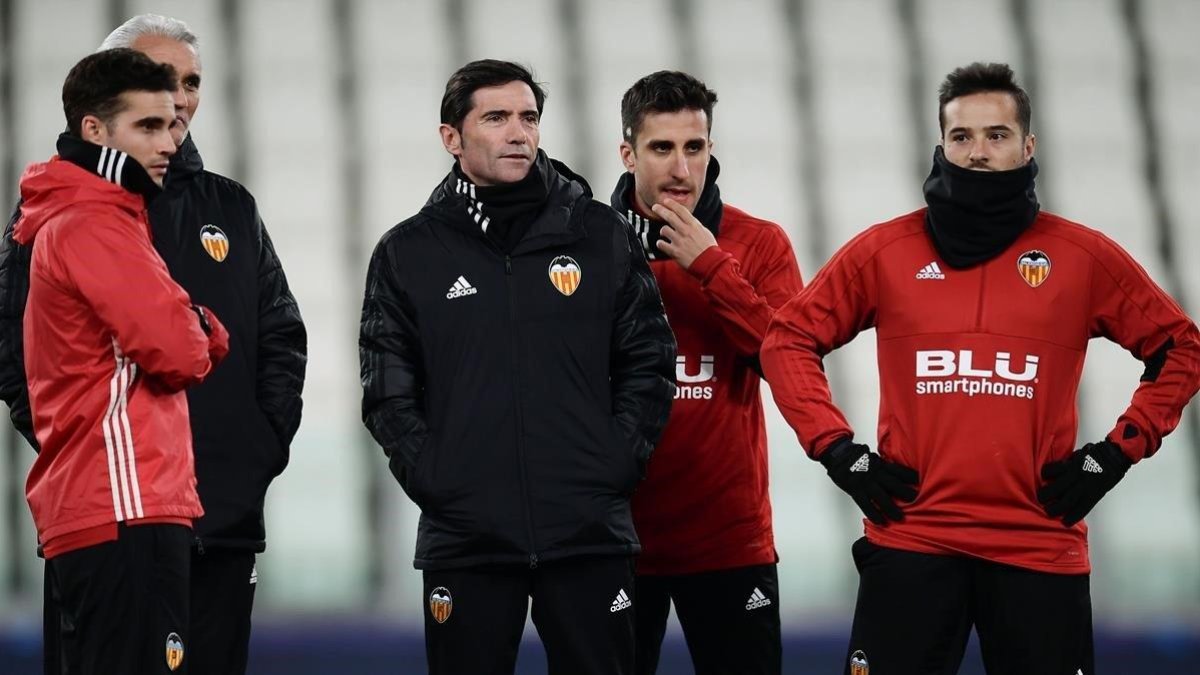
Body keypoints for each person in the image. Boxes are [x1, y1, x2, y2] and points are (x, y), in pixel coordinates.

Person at [761, 61, 1200, 675]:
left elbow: (1182, 347)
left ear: (1028, 144)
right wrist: (837, 449)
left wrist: (1117, 452)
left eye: (996, 135)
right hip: (912, 538)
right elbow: (787, 339)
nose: (977, 152)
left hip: (1038, 546)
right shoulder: (885, 251)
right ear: (941, 145)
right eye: (961, 137)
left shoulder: (1082, 256)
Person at [0, 15, 308, 675]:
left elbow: (281, 335)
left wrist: (257, 452)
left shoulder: (229, 205)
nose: (179, 103)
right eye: (159, 88)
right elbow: (173, 347)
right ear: (104, 110)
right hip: (122, 501)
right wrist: (92, 443)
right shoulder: (81, 216)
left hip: (209, 508)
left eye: (190, 83)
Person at [359, 59, 676, 675]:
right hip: (467, 538)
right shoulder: (407, 252)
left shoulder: (600, 234)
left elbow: (650, 361)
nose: (518, 133)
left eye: (528, 117)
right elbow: (386, 391)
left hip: (587, 532)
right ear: (451, 138)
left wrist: (614, 462)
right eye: (496, 118)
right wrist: (440, 479)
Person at [14, 47, 231, 674]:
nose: (168, 141)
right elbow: (182, 351)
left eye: (171, 124)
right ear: (94, 129)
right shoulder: (94, 222)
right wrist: (207, 327)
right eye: (147, 126)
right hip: (124, 501)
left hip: (101, 503)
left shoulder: (78, 216)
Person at [608, 70, 802, 675]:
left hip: (728, 541)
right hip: (613, 539)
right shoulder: (585, 244)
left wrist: (712, 267)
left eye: (694, 147)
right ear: (628, 153)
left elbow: (787, 363)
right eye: (661, 148)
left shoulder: (759, 244)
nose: (680, 168)